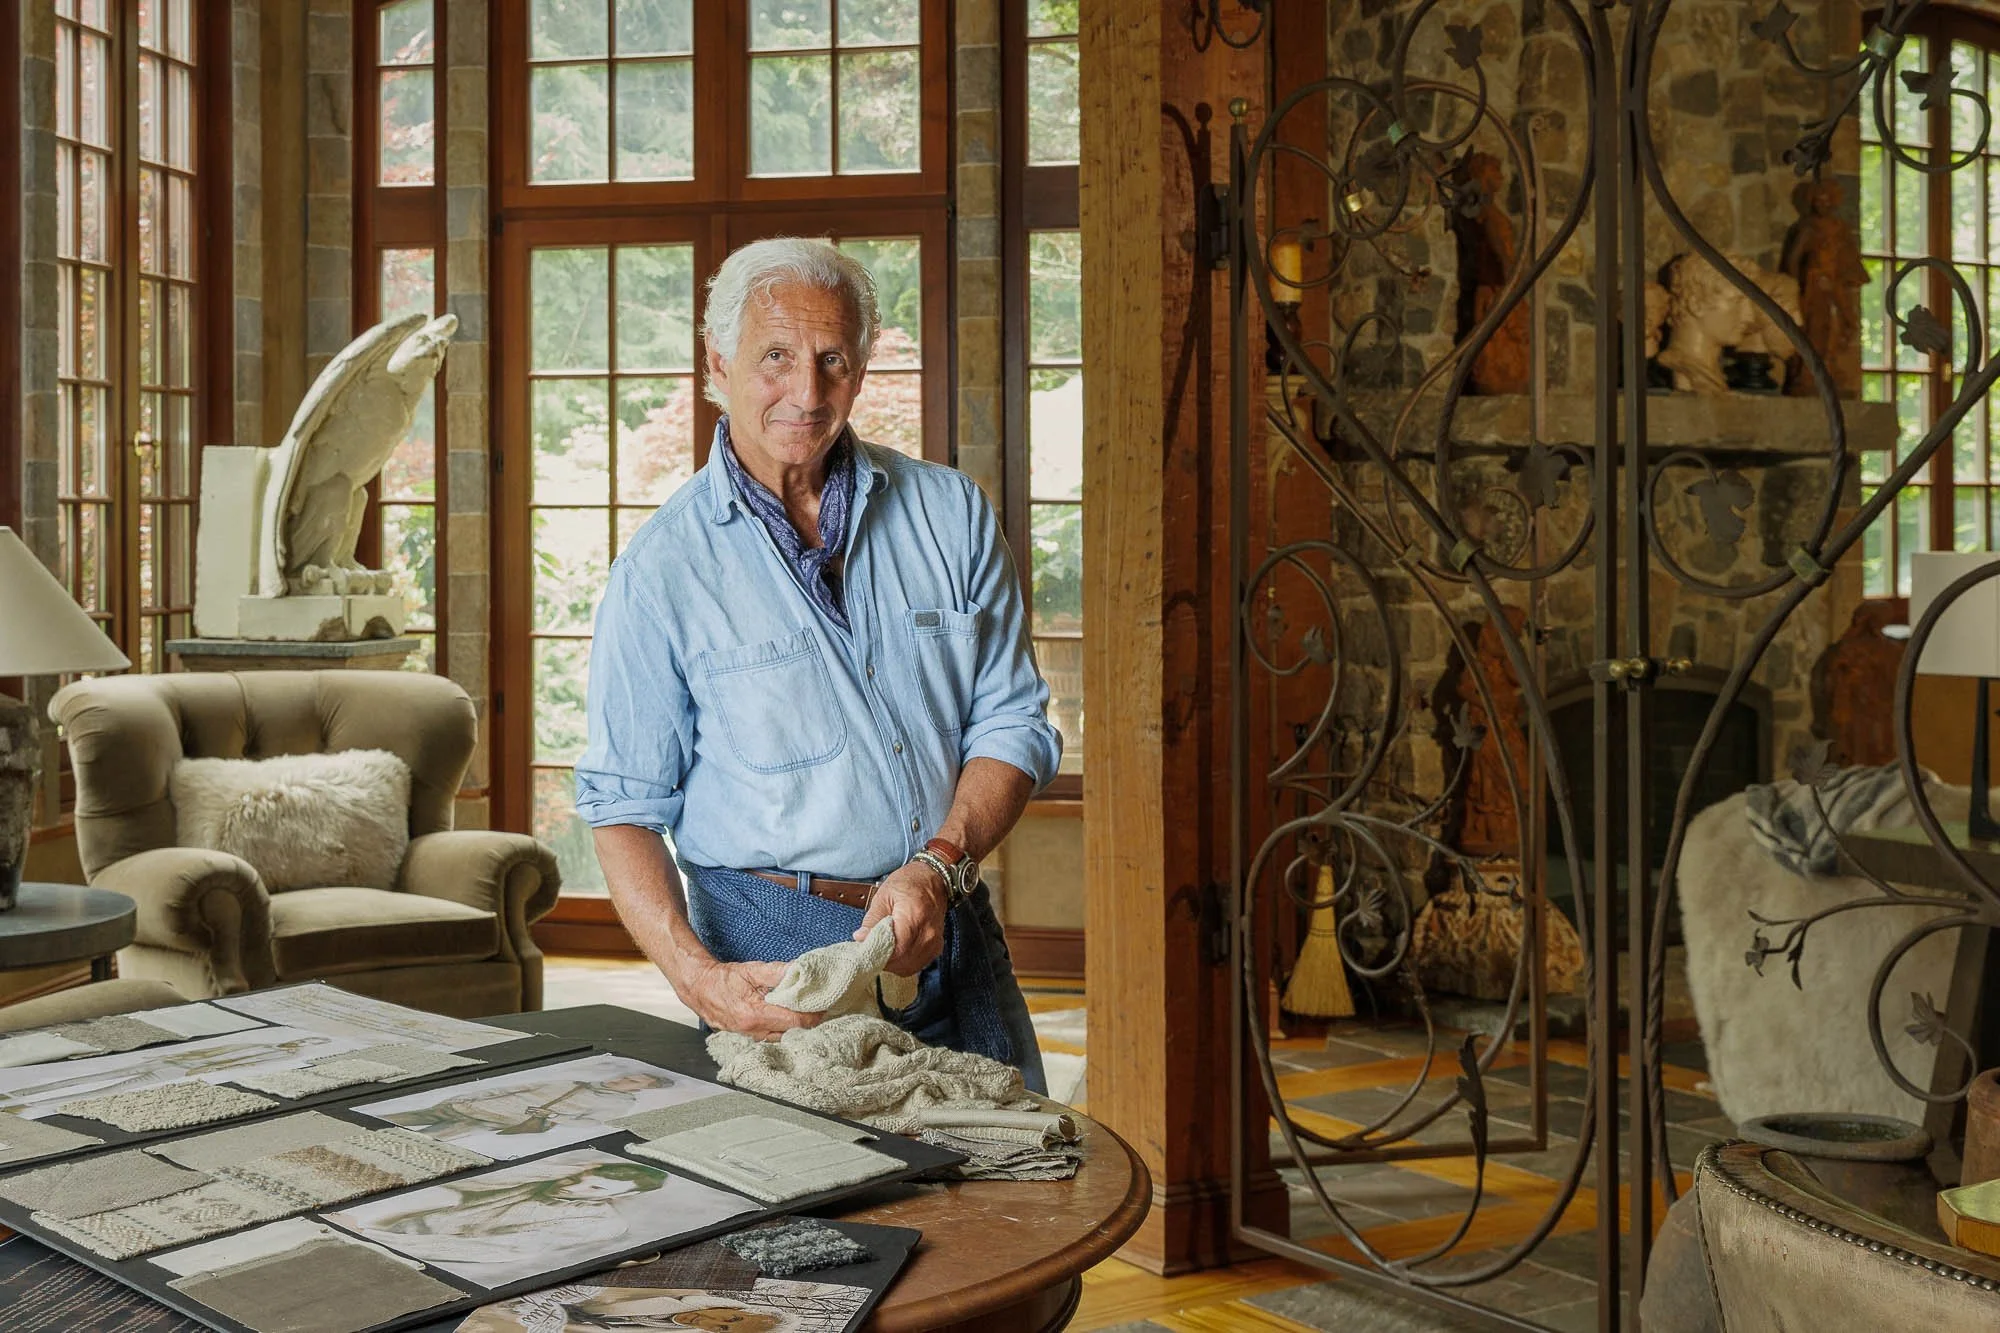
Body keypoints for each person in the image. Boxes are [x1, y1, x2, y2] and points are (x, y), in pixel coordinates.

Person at [576, 238, 1061, 1094]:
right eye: (775, 358)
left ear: (864, 368)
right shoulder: (660, 574)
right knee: (822, 1214)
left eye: (832, 359)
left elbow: (1013, 721)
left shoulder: (952, 515)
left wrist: (940, 862)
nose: (806, 391)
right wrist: (698, 978)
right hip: (769, 949)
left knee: (1014, 1174)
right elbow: (622, 808)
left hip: (946, 911)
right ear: (716, 364)